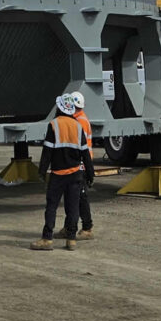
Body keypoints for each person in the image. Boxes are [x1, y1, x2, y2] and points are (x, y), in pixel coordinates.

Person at [32, 94, 93, 251]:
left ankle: (47, 239)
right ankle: (71, 240)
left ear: (59, 107)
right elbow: (85, 153)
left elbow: (47, 151)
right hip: (75, 174)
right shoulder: (78, 126)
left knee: (51, 206)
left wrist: (41, 171)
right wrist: (91, 173)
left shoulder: (54, 125)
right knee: (73, 207)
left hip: (58, 174)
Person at [69, 91, 95, 239]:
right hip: (80, 164)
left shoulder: (80, 121)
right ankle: (71, 226)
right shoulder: (79, 119)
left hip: (82, 165)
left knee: (80, 197)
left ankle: (87, 227)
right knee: (74, 196)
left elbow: (80, 146)